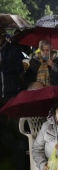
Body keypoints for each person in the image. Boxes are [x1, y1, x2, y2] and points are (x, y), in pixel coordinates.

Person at [0, 27, 24, 160]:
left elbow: (20, 68)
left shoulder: (13, 49)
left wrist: (3, 66)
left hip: (9, 93)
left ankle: (17, 157)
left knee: (11, 127)